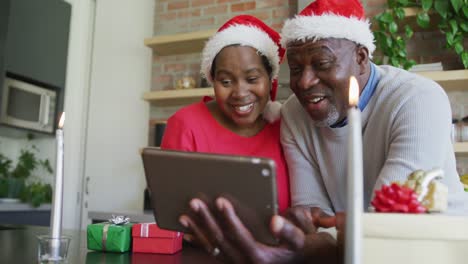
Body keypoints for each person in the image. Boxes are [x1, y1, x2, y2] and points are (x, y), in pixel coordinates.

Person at [179, 0, 468, 263]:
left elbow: (389, 217)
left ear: (361, 57)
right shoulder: (294, 113)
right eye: (295, 68)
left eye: (322, 64)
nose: (304, 82)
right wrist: (314, 234)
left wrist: (324, 241)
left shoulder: (416, 99)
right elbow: (311, 211)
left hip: (436, 252)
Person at [160, 15, 290, 213]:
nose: (239, 93)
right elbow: (171, 209)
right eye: (226, 82)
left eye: (252, 78)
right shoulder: (186, 125)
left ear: (270, 77)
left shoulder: (285, 127)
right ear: (213, 80)